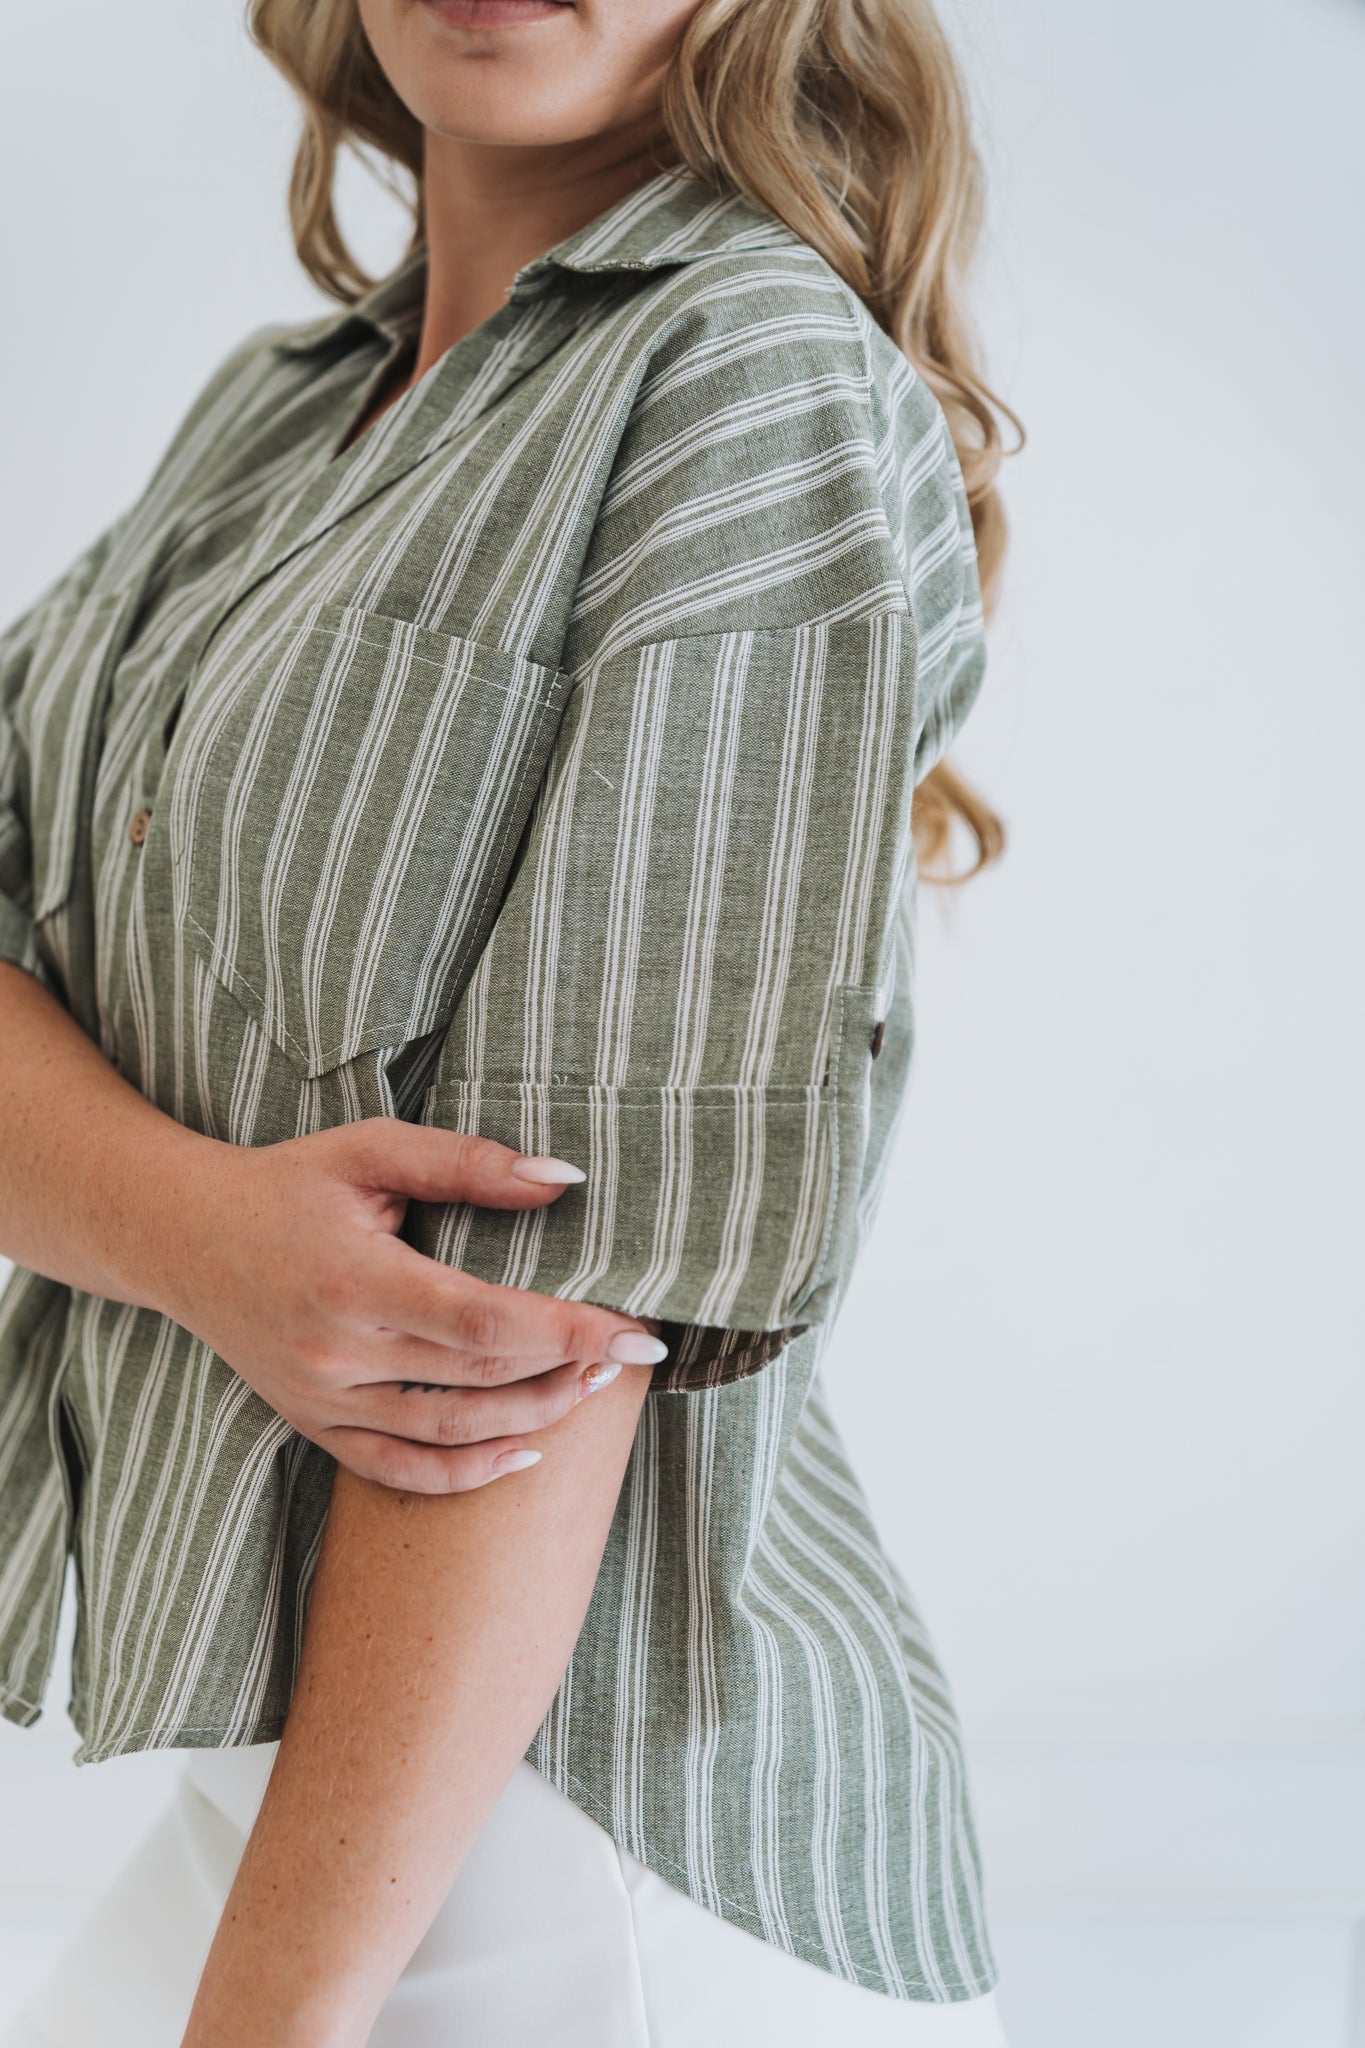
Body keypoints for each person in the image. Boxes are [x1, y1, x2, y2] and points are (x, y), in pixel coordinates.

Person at [0, 0, 1020, 2040]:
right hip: (278, 1807)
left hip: (584, 1858)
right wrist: (202, 1234)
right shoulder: (274, 411)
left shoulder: (744, 373)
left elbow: (542, 1327)